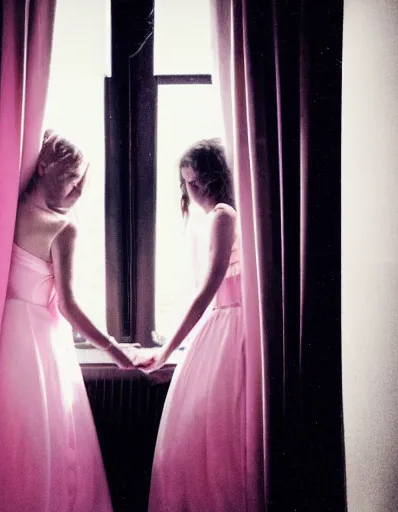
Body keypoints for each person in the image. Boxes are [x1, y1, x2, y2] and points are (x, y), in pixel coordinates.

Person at [0, 130, 135, 512]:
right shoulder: (62, 229)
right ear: (43, 167)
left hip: (2, 340)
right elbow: (69, 307)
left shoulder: (3, 210)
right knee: (48, 443)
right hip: (41, 345)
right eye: (74, 178)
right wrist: (113, 348)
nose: (79, 192)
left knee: (8, 442)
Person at [135, 139, 248, 511]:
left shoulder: (222, 215)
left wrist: (166, 352)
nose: (195, 192)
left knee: (210, 438)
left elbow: (207, 293)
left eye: (200, 182)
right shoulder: (228, 217)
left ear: (218, 179)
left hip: (231, 326)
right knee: (215, 439)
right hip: (227, 325)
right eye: (189, 184)